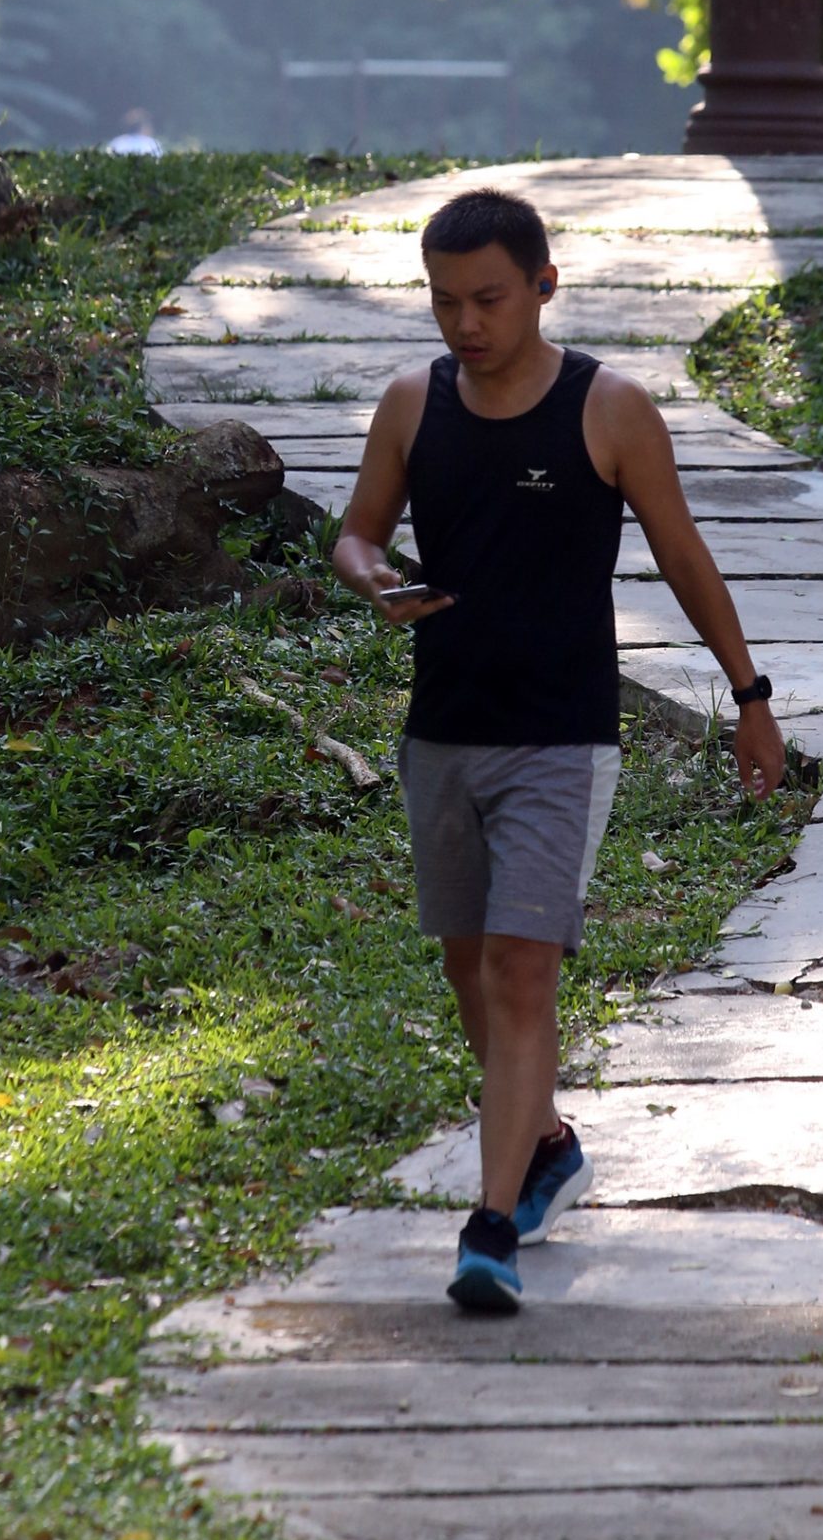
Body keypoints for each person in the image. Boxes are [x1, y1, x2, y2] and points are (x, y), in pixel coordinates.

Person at [332, 186, 787, 1313]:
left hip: (560, 737)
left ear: (543, 286)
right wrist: (375, 579)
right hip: (443, 732)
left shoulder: (610, 409)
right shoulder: (411, 403)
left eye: (488, 298)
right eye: (444, 301)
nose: (465, 323)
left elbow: (683, 556)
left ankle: (489, 1229)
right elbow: (356, 533)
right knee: (467, 970)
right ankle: (545, 1146)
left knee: (520, 970)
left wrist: (750, 696)